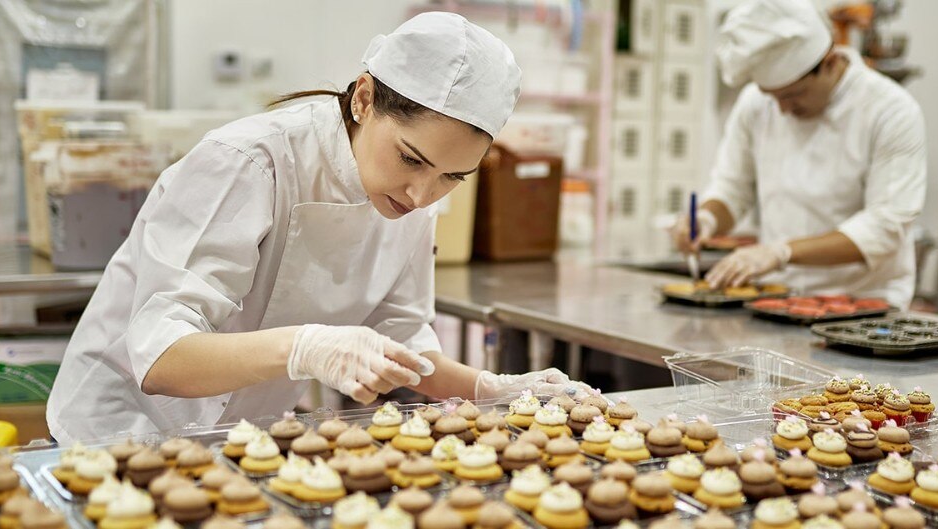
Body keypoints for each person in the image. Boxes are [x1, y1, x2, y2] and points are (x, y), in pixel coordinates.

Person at [47, 13, 588, 444]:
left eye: (453, 176)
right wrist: (303, 347)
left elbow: (402, 344)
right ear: (364, 98)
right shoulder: (250, 161)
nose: (423, 195)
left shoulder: (413, 202)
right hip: (119, 431)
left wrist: (490, 388)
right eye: (411, 159)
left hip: (235, 440)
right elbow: (160, 356)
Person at [673, 0, 927, 308]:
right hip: (778, 300)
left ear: (830, 62)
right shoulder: (755, 104)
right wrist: (706, 218)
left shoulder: (890, 110)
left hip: (862, 308)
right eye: (773, 97)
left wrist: (780, 252)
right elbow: (732, 188)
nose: (782, 109)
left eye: (793, 95)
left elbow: (884, 229)